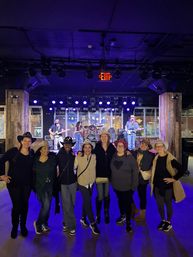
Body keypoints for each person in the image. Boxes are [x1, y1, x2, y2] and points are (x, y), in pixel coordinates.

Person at [0, 132, 36, 239]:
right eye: (24, 140)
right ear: (21, 141)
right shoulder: (13, 152)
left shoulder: (32, 153)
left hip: (27, 185)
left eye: (29, 141)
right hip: (14, 184)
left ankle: (23, 226)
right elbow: (1, 160)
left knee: (24, 205)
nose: (26, 142)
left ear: (31, 143)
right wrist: (2, 175)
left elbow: (43, 157)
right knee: (16, 206)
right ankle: (15, 227)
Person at [151, 140, 185, 232]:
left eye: (160, 146)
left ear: (164, 147)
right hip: (157, 186)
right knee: (160, 205)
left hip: (167, 187)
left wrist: (174, 178)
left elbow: (182, 169)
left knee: (168, 205)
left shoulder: (170, 159)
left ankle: (168, 222)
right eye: (157, 146)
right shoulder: (156, 158)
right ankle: (163, 220)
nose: (159, 148)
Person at [111, 139, 139, 232]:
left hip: (128, 186)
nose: (120, 147)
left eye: (122, 146)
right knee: (120, 201)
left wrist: (134, 185)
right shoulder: (113, 156)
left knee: (127, 204)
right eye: (118, 146)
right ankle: (122, 215)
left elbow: (135, 171)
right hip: (116, 186)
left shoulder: (129, 157)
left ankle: (128, 223)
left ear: (125, 147)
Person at [74, 139, 100, 235]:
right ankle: (93, 223)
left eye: (89, 147)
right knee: (88, 203)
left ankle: (83, 218)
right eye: (85, 147)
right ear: (83, 148)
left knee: (86, 201)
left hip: (91, 183)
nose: (87, 149)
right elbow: (73, 167)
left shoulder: (94, 157)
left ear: (91, 148)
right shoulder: (78, 157)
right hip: (82, 183)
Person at [33, 141, 57, 235]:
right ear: (40, 150)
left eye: (47, 148)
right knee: (45, 206)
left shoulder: (52, 159)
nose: (46, 150)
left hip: (49, 186)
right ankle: (39, 223)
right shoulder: (35, 160)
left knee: (47, 206)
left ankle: (43, 224)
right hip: (39, 186)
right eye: (44, 148)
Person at [93, 130, 116, 224]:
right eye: (102, 136)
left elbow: (117, 156)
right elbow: (90, 154)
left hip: (108, 175)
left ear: (108, 137)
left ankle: (106, 212)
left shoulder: (111, 147)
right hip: (98, 174)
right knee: (100, 195)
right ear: (100, 137)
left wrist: (128, 153)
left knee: (106, 195)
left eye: (105, 136)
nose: (104, 138)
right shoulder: (97, 147)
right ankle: (98, 214)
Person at [56, 136, 77, 236]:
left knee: (71, 204)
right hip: (63, 183)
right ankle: (71, 225)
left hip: (73, 182)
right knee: (66, 204)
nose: (67, 145)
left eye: (69, 144)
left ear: (71, 145)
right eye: (66, 144)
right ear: (63, 144)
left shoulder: (74, 154)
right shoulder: (59, 154)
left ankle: (65, 221)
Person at [132, 138, 155, 222]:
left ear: (148, 147)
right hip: (133, 178)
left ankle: (142, 214)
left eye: (145, 144)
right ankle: (134, 208)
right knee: (128, 193)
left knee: (142, 196)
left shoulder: (151, 155)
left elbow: (146, 166)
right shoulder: (134, 152)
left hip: (142, 179)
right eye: (142, 143)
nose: (143, 145)